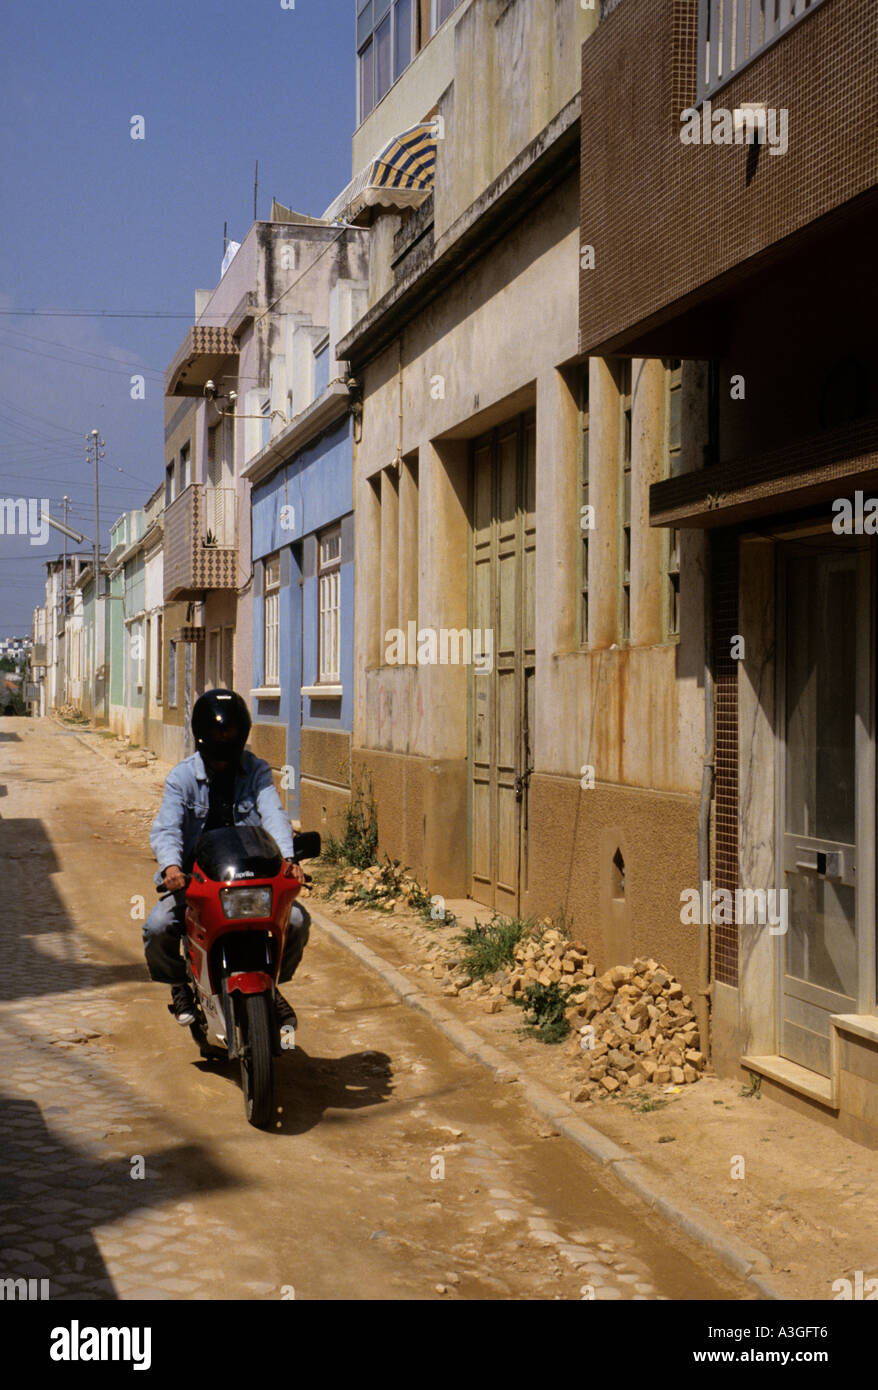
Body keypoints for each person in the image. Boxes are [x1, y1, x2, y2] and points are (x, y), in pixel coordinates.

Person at [143, 688, 309, 1038]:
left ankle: (271, 985)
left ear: (242, 733)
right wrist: (172, 868)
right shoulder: (182, 778)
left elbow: (273, 815)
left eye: (231, 732)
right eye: (219, 732)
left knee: (294, 920)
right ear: (202, 734)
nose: (224, 740)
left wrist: (289, 859)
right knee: (158, 926)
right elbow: (167, 828)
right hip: (197, 883)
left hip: (247, 881)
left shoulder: (257, 771)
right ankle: (178, 984)